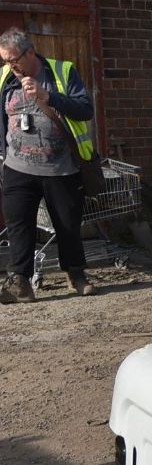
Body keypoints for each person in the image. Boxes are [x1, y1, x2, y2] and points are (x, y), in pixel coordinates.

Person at [0, 28, 97, 300]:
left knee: (67, 224)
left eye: (13, 59)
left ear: (30, 52)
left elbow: (85, 109)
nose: (10, 66)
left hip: (61, 167)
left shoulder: (62, 71)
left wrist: (48, 96)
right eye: (5, 61)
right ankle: (19, 283)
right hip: (18, 168)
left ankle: (75, 275)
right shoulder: (5, 78)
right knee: (19, 226)